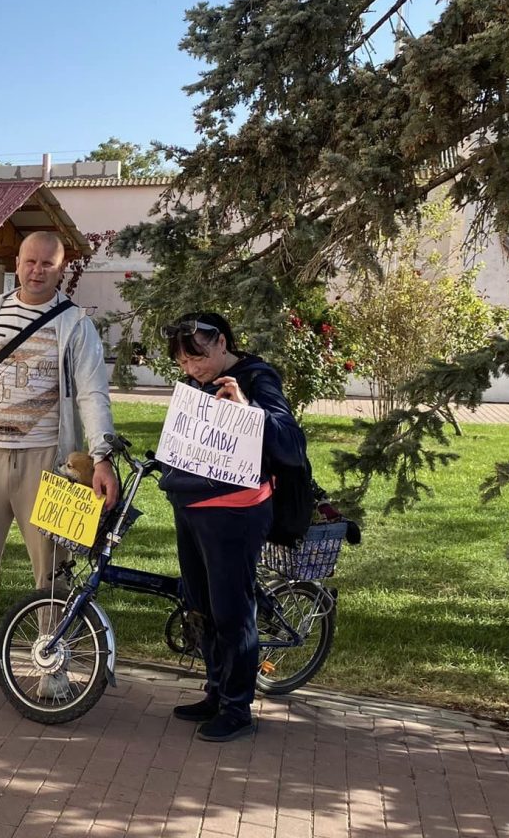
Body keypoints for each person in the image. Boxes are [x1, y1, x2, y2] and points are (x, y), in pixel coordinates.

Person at [0, 232, 120, 688]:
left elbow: (93, 393)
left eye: (48, 265)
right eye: (30, 261)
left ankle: (50, 664)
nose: (37, 271)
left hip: (48, 462)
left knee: (52, 570)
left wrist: (101, 457)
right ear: (17, 262)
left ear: (62, 269)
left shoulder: (75, 324)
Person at [160, 312, 306, 742]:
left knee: (232, 609)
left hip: (236, 512)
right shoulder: (196, 383)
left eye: (197, 358)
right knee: (201, 606)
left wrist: (249, 410)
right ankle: (216, 690)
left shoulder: (257, 378)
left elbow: (291, 442)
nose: (191, 369)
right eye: (183, 364)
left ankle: (238, 707)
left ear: (221, 343)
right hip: (192, 507)